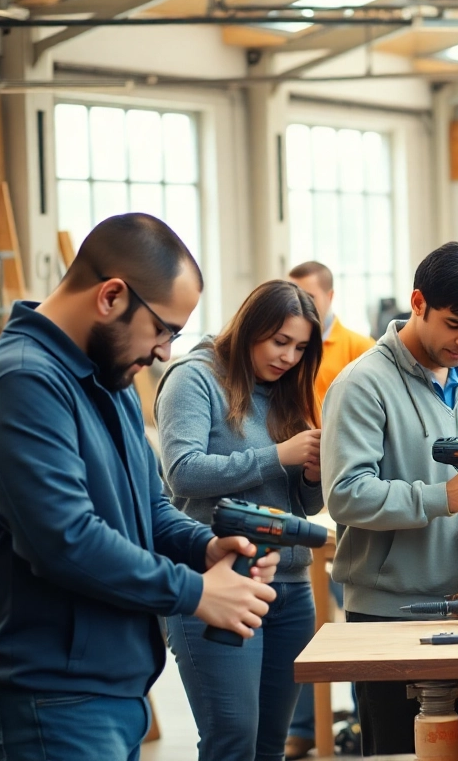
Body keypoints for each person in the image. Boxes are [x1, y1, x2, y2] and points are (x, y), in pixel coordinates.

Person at [0, 213, 279, 761]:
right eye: (163, 330)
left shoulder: (108, 378)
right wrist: (197, 593)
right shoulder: (20, 382)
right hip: (45, 700)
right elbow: (65, 541)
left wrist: (203, 547)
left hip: (107, 692)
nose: (165, 353)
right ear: (111, 296)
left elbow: (149, 506)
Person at [323, 241, 458, 756]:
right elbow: (345, 495)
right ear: (418, 303)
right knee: (399, 749)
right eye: (455, 324)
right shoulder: (362, 385)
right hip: (389, 611)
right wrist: (441, 497)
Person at [156, 279, 326, 761]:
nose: (289, 358)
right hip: (215, 582)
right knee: (233, 737)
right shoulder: (195, 378)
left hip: (289, 588)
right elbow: (183, 472)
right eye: (279, 342)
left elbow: (303, 507)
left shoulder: (286, 390)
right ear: (251, 327)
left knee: (272, 742)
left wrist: (310, 477)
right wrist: (278, 455)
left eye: (300, 348)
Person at [284, 260, 374, 760]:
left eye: (309, 299)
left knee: (350, 607)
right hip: (304, 490)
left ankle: (362, 720)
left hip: (343, 497)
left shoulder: (359, 350)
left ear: (331, 296)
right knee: (309, 620)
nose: (300, 308)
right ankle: (302, 725)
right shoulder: (291, 348)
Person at [288, 260, 377, 413]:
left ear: (330, 297)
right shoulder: (280, 349)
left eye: (308, 297)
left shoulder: (362, 348)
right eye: (291, 297)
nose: (298, 305)